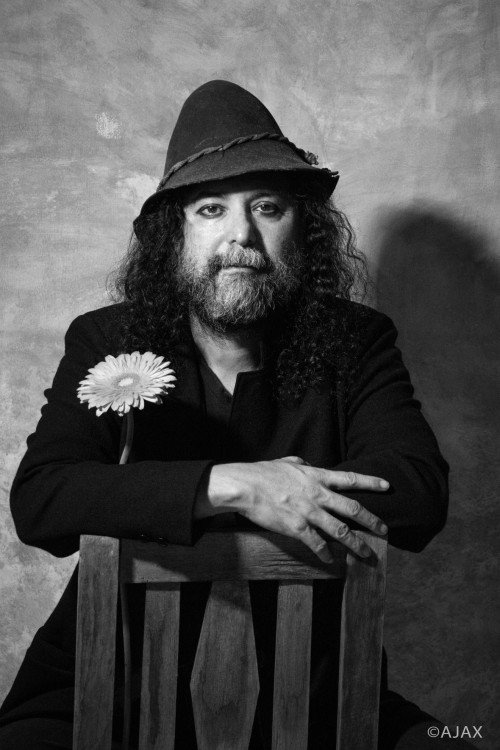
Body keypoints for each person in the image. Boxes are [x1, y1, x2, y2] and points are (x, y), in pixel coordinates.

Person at [0, 80, 474, 749]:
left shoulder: (355, 341)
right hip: (105, 683)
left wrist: (268, 495)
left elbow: (419, 494)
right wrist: (235, 485)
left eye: (268, 208)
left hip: (312, 693)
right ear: (174, 234)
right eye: (211, 210)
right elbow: (44, 499)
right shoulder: (109, 340)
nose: (241, 235)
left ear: (302, 230)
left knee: (457, 742)